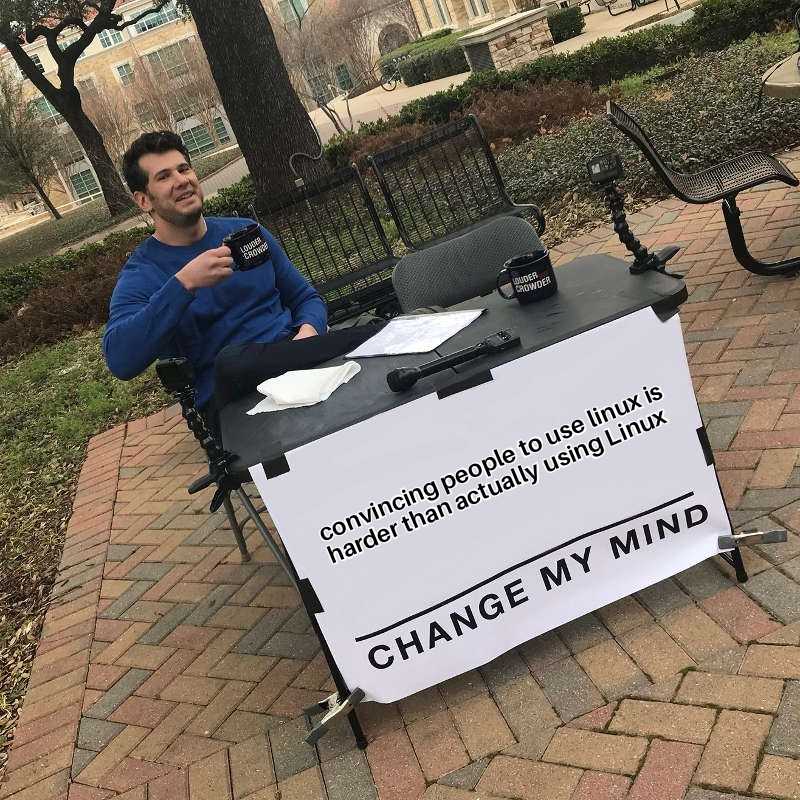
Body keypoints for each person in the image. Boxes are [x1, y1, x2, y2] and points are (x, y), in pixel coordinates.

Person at [103, 131, 328, 411]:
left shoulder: (245, 233)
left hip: (298, 362)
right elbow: (121, 359)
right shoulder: (143, 275)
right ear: (144, 201)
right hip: (235, 402)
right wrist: (183, 284)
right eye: (164, 177)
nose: (181, 181)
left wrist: (308, 335)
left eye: (183, 169)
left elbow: (306, 298)